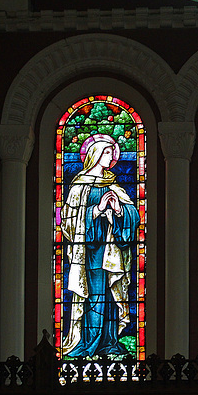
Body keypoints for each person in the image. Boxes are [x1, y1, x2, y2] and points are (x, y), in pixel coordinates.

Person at [60, 134, 140, 357]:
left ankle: (109, 342)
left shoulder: (114, 186)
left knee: (112, 297)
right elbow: (67, 221)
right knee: (95, 297)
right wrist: (96, 210)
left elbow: (133, 217)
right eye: (106, 152)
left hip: (111, 253)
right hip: (90, 253)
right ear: (94, 155)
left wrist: (118, 210)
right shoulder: (78, 187)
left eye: (111, 153)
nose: (110, 156)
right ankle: (89, 343)